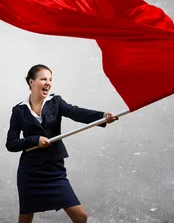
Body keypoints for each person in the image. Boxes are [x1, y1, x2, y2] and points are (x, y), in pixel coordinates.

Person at [6, 64, 118, 223]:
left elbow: (77, 112)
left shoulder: (55, 102)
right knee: (25, 219)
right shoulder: (19, 110)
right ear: (32, 82)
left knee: (80, 216)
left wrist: (102, 116)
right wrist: (34, 140)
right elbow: (11, 144)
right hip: (29, 172)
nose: (48, 83)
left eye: (50, 79)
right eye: (43, 79)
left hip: (54, 169)